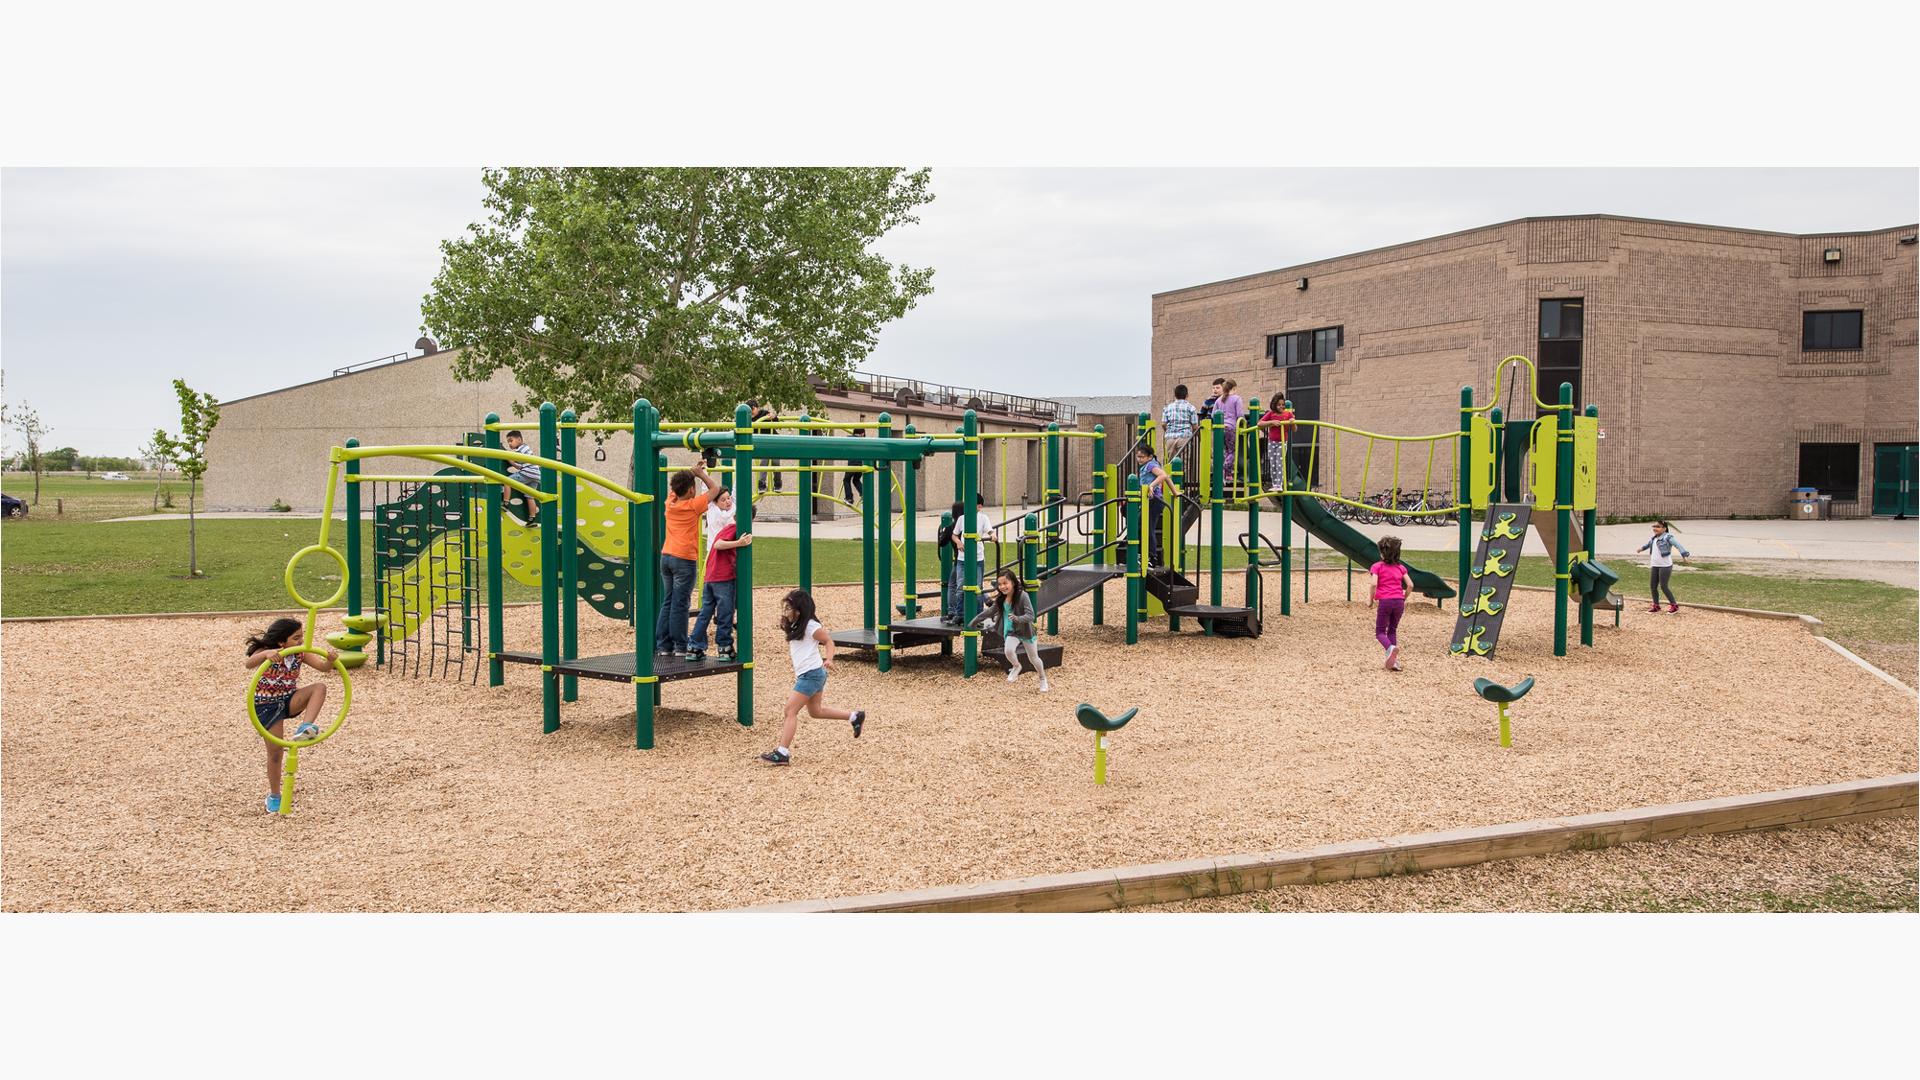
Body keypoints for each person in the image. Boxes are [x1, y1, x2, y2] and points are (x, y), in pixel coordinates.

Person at [243, 617, 338, 813]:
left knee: (319, 687)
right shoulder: (269, 653)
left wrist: (331, 661)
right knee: (276, 752)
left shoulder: (299, 654)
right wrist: (266, 654)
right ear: (281, 642)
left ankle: (306, 727)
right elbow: (249, 664)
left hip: (288, 699)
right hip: (266, 705)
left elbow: (323, 668)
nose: (301, 642)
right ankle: (275, 795)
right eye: (296, 638)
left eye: (302, 636)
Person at [761, 589, 866, 766]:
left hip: (811, 674)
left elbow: (829, 641)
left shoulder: (811, 626)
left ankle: (782, 752)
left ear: (799, 610)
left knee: (790, 711)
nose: (786, 611)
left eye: (789, 608)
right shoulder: (796, 624)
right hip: (813, 673)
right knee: (815, 711)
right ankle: (855, 716)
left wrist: (830, 659)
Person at [656, 460, 721, 656]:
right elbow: (715, 489)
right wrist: (699, 473)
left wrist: (691, 474)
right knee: (681, 603)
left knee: (668, 601)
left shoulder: (670, 503)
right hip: (684, 559)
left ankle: (663, 645)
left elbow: (677, 487)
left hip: (666, 557)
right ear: (692, 490)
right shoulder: (694, 505)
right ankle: (680, 646)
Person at [972, 568, 1049, 692]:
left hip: (1025, 631)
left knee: (1034, 658)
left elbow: (1031, 616)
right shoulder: (1001, 599)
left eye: (1005, 583)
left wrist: (1017, 618)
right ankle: (1016, 666)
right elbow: (990, 611)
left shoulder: (1023, 596)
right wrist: (975, 620)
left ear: (1013, 582)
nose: (1002, 587)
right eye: (1000, 584)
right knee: (1008, 651)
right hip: (1012, 632)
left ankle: (1042, 679)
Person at [687, 513, 751, 662]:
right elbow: (718, 544)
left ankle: (694, 647)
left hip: (711, 577)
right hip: (722, 578)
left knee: (705, 612)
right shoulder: (733, 528)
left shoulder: (726, 527)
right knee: (725, 613)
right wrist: (739, 543)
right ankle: (724, 647)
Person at [944, 494, 994, 625]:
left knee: (977, 588)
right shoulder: (962, 518)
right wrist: (959, 542)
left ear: (979, 507)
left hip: (977, 558)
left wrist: (993, 535)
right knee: (960, 586)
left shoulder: (983, 518)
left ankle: (979, 616)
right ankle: (960, 614)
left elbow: (990, 531)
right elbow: (954, 535)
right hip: (962, 559)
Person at [1369, 536, 1414, 671]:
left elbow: (1373, 584)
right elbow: (1410, 585)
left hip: (1385, 602)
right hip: (1399, 602)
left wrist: (1370, 599)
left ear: (1382, 553)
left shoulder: (1377, 567)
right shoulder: (1401, 568)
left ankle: (1390, 648)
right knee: (1392, 630)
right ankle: (1393, 662)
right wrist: (1403, 598)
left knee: (1380, 632)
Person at [1637, 520, 1691, 613]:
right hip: (1655, 565)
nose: (1655, 528)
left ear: (1664, 528)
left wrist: (1684, 556)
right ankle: (1656, 606)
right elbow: (1648, 545)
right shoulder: (1654, 538)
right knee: (1653, 586)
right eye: (1654, 526)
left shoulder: (1668, 537)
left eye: (1658, 526)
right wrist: (1641, 549)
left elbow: (1678, 545)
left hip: (1665, 566)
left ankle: (1674, 606)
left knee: (1664, 586)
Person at [1134, 444, 1174, 569]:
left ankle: (1152, 558)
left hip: (1155, 501)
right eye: (1138, 457)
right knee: (1139, 525)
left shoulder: (1151, 465)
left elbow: (1163, 475)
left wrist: (1151, 486)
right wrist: (1174, 491)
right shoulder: (1145, 466)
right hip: (1148, 501)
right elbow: (1166, 478)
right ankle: (1142, 554)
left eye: (1142, 457)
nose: (1139, 459)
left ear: (1150, 457)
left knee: (1148, 527)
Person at [501, 430, 543, 524]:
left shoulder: (522, 449)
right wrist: (509, 458)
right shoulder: (526, 450)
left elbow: (515, 458)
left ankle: (506, 503)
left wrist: (506, 454)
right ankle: (532, 518)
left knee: (507, 481)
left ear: (519, 439)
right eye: (508, 442)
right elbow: (518, 466)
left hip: (527, 473)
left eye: (511, 441)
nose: (509, 444)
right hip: (535, 475)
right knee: (530, 496)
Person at [1161, 383, 1200, 482]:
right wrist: (1197, 434)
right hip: (1184, 438)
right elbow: (1195, 425)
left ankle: (1170, 486)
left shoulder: (1168, 408)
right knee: (1183, 463)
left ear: (1175, 395)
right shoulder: (1191, 408)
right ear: (1187, 395)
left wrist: (1169, 431)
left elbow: (1163, 424)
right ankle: (1181, 486)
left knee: (1170, 462)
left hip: (1170, 438)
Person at [1256, 397, 1296, 491]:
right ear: (1274, 405)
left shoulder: (1288, 414)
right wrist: (1272, 422)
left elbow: (1294, 429)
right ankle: (1275, 484)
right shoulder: (1271, 414)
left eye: (1283, 405)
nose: (1281, 406)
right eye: (1279, 405)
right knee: (1272, 463)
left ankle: (1279, 485)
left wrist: (1292, 423)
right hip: (1271, 442)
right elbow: (1259, 424)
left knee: (1279, 463)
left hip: (1282, 442)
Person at [1216, 378, 1248, 484]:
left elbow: (1213, 415)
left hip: (1220, 428)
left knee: (1225, 451)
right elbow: (1239, 414)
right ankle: (1224, 468)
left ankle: (1227, 474)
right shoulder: (1236, 398)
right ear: (1234, 388)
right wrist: (1244, 423)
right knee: (1232, 451)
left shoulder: (1219, 399)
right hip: (1231, 428)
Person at [748, 400, 783, 493]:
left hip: (773, 442)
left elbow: (776, 421)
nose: (752, 412)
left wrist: (773, 416)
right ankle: (762, 484)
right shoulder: (749, 419)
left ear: (757, 408)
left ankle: (778, 483)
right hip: (762, 444)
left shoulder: (764, 413)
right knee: (763, 463)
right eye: (750, 411)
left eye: (753, 409)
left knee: (775, 463)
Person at [843, 425, 866, 505]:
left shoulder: (850, 439)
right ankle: (864, 494)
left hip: (852, 464)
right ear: (862, 434)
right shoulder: (864, 441)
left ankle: (849, 498)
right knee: (856, 480)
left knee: (846, 480)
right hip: (861, 465)